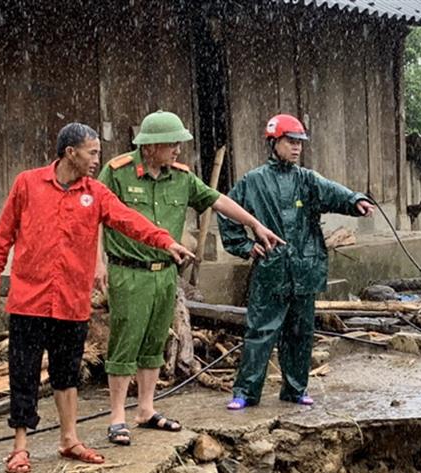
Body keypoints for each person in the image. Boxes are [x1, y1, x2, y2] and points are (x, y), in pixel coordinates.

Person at [0, 122, 193, 473]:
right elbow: (3, 233)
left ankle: (69, 439)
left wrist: (163, 240)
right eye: (92, 152)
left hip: (71, 301)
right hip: (28, 300)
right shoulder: (27, 184)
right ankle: (20, 447)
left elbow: (129, 220)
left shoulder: (95, 194)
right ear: (71, 153)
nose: (98, 159)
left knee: (67, 374)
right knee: (24, 373)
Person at [97, 110, 282, 446]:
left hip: (166, 273)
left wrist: (254, 225)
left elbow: (218, 201)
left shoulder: (181, 177)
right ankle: (117, 417)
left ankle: (146, 410)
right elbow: (92, 214)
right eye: (173, 144)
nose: (179, 150)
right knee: (125, 342)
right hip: (128, 270)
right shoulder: (118, 172)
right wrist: (97, 263)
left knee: (154, 343)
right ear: (151, 146)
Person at [219, 113, 374, 410]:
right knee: (261, 331)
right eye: (291, 142)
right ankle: (245, 393)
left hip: (304, 268)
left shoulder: (307, 180)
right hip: (271, 270)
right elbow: (227, 212)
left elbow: (334, 193)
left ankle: (295, 389)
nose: (296, 148)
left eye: (300, 143)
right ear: (274, 142)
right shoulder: (253, 182)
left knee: (300, 333)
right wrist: (245, 246)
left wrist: (356, 200)